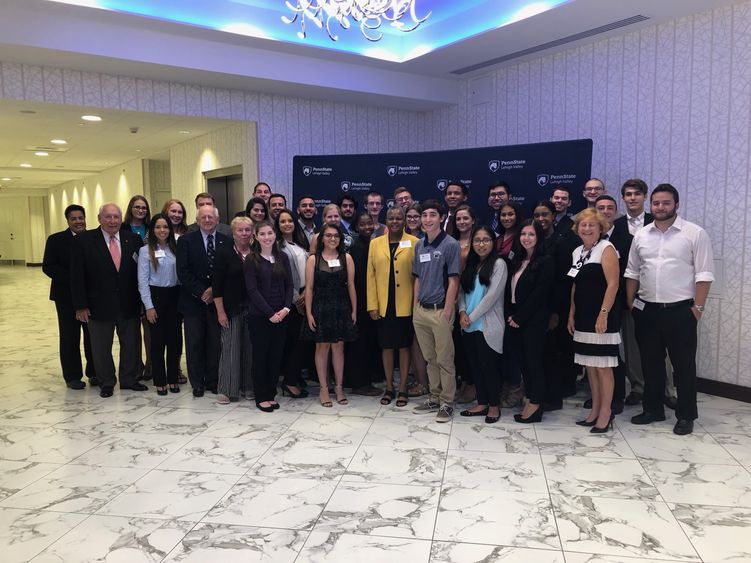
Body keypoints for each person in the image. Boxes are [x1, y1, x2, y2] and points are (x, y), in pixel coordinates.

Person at [625, 184, 715, 435]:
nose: (660, 207)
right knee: (650, 364)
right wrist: (631, 303)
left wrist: (697, 308)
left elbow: (704, 274)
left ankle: (686, 415)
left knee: (683, 366)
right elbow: (632, 271)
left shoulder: (694, 233)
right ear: (650, 205)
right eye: (656, 203)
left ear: (677, 204)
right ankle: (653, 409)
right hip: (647, 311)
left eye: (666, 203)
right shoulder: (642, 235)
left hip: (681, 312)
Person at [70, 203, 146, 398]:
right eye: (108, 217)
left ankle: (129, 379)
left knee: (131, 344)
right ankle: (106, 382)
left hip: (128, 303)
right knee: (101, 347)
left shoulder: (133, 239)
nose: (112, 221)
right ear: (99, 219)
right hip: (98, 305)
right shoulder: (84, 241)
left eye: (116, 217)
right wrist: (80, 305)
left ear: (121, 219)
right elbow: (77, 276)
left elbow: (141, 274)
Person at [567, 208, 621, 433]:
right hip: (583, 316)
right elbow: (575, 285)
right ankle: (595, 408)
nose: (587, 228)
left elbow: (613, 284)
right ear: (577, 228)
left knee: (603, 367)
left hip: (602, 317)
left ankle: (606, 412)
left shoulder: (606, 249)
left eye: (591, 225)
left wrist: (604, 313)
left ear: (601, 228)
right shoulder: (577, 251)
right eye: (583, 225)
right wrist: (571, 313)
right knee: (590, 365)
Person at [412, 199, 461, 423]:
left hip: (440, 311)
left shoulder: (450, 244)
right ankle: (434, 396)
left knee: (444, 359)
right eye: (424, 215)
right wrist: (415, 307)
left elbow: (453, 281)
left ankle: (447, 402)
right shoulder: (419, 245)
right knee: (429, 358)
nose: (428, 219)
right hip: (421, 311)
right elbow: (418, 279)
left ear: (441, 218)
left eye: (433, 215)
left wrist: (448, 310)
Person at [177, 205, 231, 397]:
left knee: (215, 343)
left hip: (217, 302)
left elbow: (229, 272)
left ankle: (213, 381)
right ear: (197, 220)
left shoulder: (227, 241)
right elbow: (182, 272)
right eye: (204, 217)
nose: (208, 220)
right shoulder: (185, 241)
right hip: (193, 302)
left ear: (218, 220)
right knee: (194, 343)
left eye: (211, 217)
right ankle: (197, 383)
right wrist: (202, 292)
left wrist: (214, 291)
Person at [367, 207, 419, 407]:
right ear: (385, 220)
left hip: (406, 304)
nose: (395, 221)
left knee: (404, 346)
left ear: (405, 220)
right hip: (383, 304)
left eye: (399, 218)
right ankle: (389, 386)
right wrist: (372, 305)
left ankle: (403, 387)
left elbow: (418, 277)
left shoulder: (415, 243)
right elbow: (370, 276)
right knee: (387, 346)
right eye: (391, 218)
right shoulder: (375, 243)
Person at [302, 224, 358, 407]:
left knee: (338, 348)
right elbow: (309, 288)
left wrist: (354, 309)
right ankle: (324, 389)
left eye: (336, 236)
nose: (332, 239)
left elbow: (351, 285)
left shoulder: (346, 257)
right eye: (328, 235)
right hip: (320, 306)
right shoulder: (313, 260)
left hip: (341, 307)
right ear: (322, 238)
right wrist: (309, 313)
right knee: (322, 348)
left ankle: (339, 387)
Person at [43, 204, 97, 389]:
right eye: (73, 218)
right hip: (65, 297)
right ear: (67, 220)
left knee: (92, 336)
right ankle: (72, 376)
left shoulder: (93, 239)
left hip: (90, 296)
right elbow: (48, 266)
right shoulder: (56, 240)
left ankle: (94, 373)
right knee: (69, 336)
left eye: (81, 218)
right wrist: (75, 279)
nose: (78, 221)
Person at [506, 219, 554, 423]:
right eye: (523, 234)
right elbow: (509, 291)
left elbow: (541, 293)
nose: (526, 238)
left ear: (538, 237)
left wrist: (520, 317)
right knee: (523, 362)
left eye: (531, 234)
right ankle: (530, 398)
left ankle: (536, 403)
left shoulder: (546, 260)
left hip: (532, 319)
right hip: (515, 318)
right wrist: (511, 315)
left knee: (534, 362)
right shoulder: (517, 260)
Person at [458, 226, 507, 423]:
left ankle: (494, 406)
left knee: (489, 367)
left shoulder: (499, 264)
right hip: (468, 325)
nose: (481, 244)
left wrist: (471, 316)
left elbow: (491, 297)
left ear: (493, 242)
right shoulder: (471, 264)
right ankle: (482, 402)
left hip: (487, 325)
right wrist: (462, 312)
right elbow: (462, 292)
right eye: (477, 240)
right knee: (475, 366)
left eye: (486, 240)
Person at [613, 178, 655, 407]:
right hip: (625, 294)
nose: (632, 198)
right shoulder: (617, 226)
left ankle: (666, 389)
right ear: (623, 197)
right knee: (631, 343)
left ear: (644, 197)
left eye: (637, 194)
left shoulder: (655, 222)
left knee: (658, 343)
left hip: (653, 292)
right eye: (628, 194)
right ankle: (637, 386)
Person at [245, 220, 293, 412]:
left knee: (275, 357)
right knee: (261, 357)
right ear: (256, 236)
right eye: (262, 234)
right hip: (260, 317)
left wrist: (286, 309)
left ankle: (271, 393)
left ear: (275, 235)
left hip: (282, 315)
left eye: (270, 233)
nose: (267, 237)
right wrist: (270, 313)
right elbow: (252, 290)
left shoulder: (283, 257)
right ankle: (261, 395)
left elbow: (290, 285)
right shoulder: (251, 259)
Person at [137, 214, 181, 395]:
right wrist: (148, 306)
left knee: (175, 341)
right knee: (157, 341)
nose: (162, 230)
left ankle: (173, 378)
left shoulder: (176, 248)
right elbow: (142, 281)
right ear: (152, 230)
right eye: (158, 227)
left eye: (165, 227)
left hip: (175, 297)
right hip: (155, 297)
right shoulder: (145, 251)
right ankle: (160, 380)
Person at [213, 216, 254, 404]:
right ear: (233, 232)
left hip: (255, 309)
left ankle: (248, 386)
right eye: (240, 230)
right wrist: (220, 312)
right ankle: (227, 389)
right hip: (231, 309)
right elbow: (217, 285)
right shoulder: (224, 252)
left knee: (250, 349)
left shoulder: (257, 252)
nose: (244, 233)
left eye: (247, 230)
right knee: (230, 349)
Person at [276, 209, 311, 398]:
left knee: (301, 343)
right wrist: (297, 298)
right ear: (278, 225)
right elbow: (283, 277)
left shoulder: (299, 243)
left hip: (305, 296)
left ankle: (294, 378)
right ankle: (289, 382)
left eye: (290, 220)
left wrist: (307, 294)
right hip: (292, 301)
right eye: (283, 221)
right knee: (293, 344)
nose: (287, 224)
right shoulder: (278, 246)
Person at [346, 213, 382, 396]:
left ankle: (364, 379)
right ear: (356, 228)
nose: (367, 226)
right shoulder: (358, 247)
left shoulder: (372, 243)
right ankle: (360, 383)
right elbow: (361, 278)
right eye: (363, 224)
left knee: (367, 343)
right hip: (361, 303)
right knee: (360, 344)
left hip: (369, 300)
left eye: (370, 223)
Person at [450, 204, 476, 404]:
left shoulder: (479, 241)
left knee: (471, 343)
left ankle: (472, 383)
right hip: (453, 294)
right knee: (457, 344)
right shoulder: (451, 242)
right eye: (458, 219)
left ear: (473, 220)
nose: (462, 222)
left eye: (465, 218)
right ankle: (462, 380)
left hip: (472, 295)